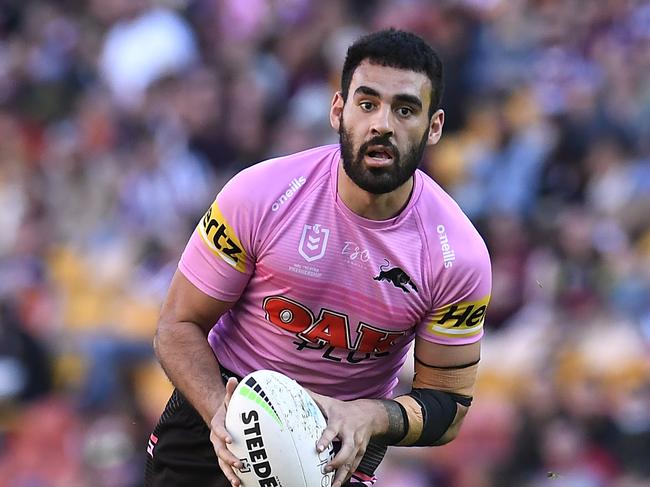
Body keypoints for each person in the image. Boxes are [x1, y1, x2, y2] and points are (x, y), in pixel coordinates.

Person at [145, 28, 492, 487]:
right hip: (214, 430)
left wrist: (369, 415)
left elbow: (448, 407)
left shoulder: (458, 257)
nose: (382, 124)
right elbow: (177, 326)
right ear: (337, 110)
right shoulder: (258, 195)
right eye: (367, 104)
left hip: (337, 450)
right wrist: (221, 415)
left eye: (405, 109)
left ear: (435, 127)